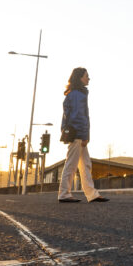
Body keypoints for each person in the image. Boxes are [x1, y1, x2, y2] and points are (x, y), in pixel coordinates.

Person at [57, 67, 107, 203]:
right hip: (77, 134)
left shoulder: (74, 93)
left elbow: (67, 117)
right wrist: (84, 136)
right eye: (86, 76)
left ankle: (92, 194)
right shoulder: (77, 95)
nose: (88, 78)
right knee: (72, 165)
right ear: (80, 78)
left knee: (85, 165)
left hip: (76, 133)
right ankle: (64, 194)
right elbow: (78, 117)